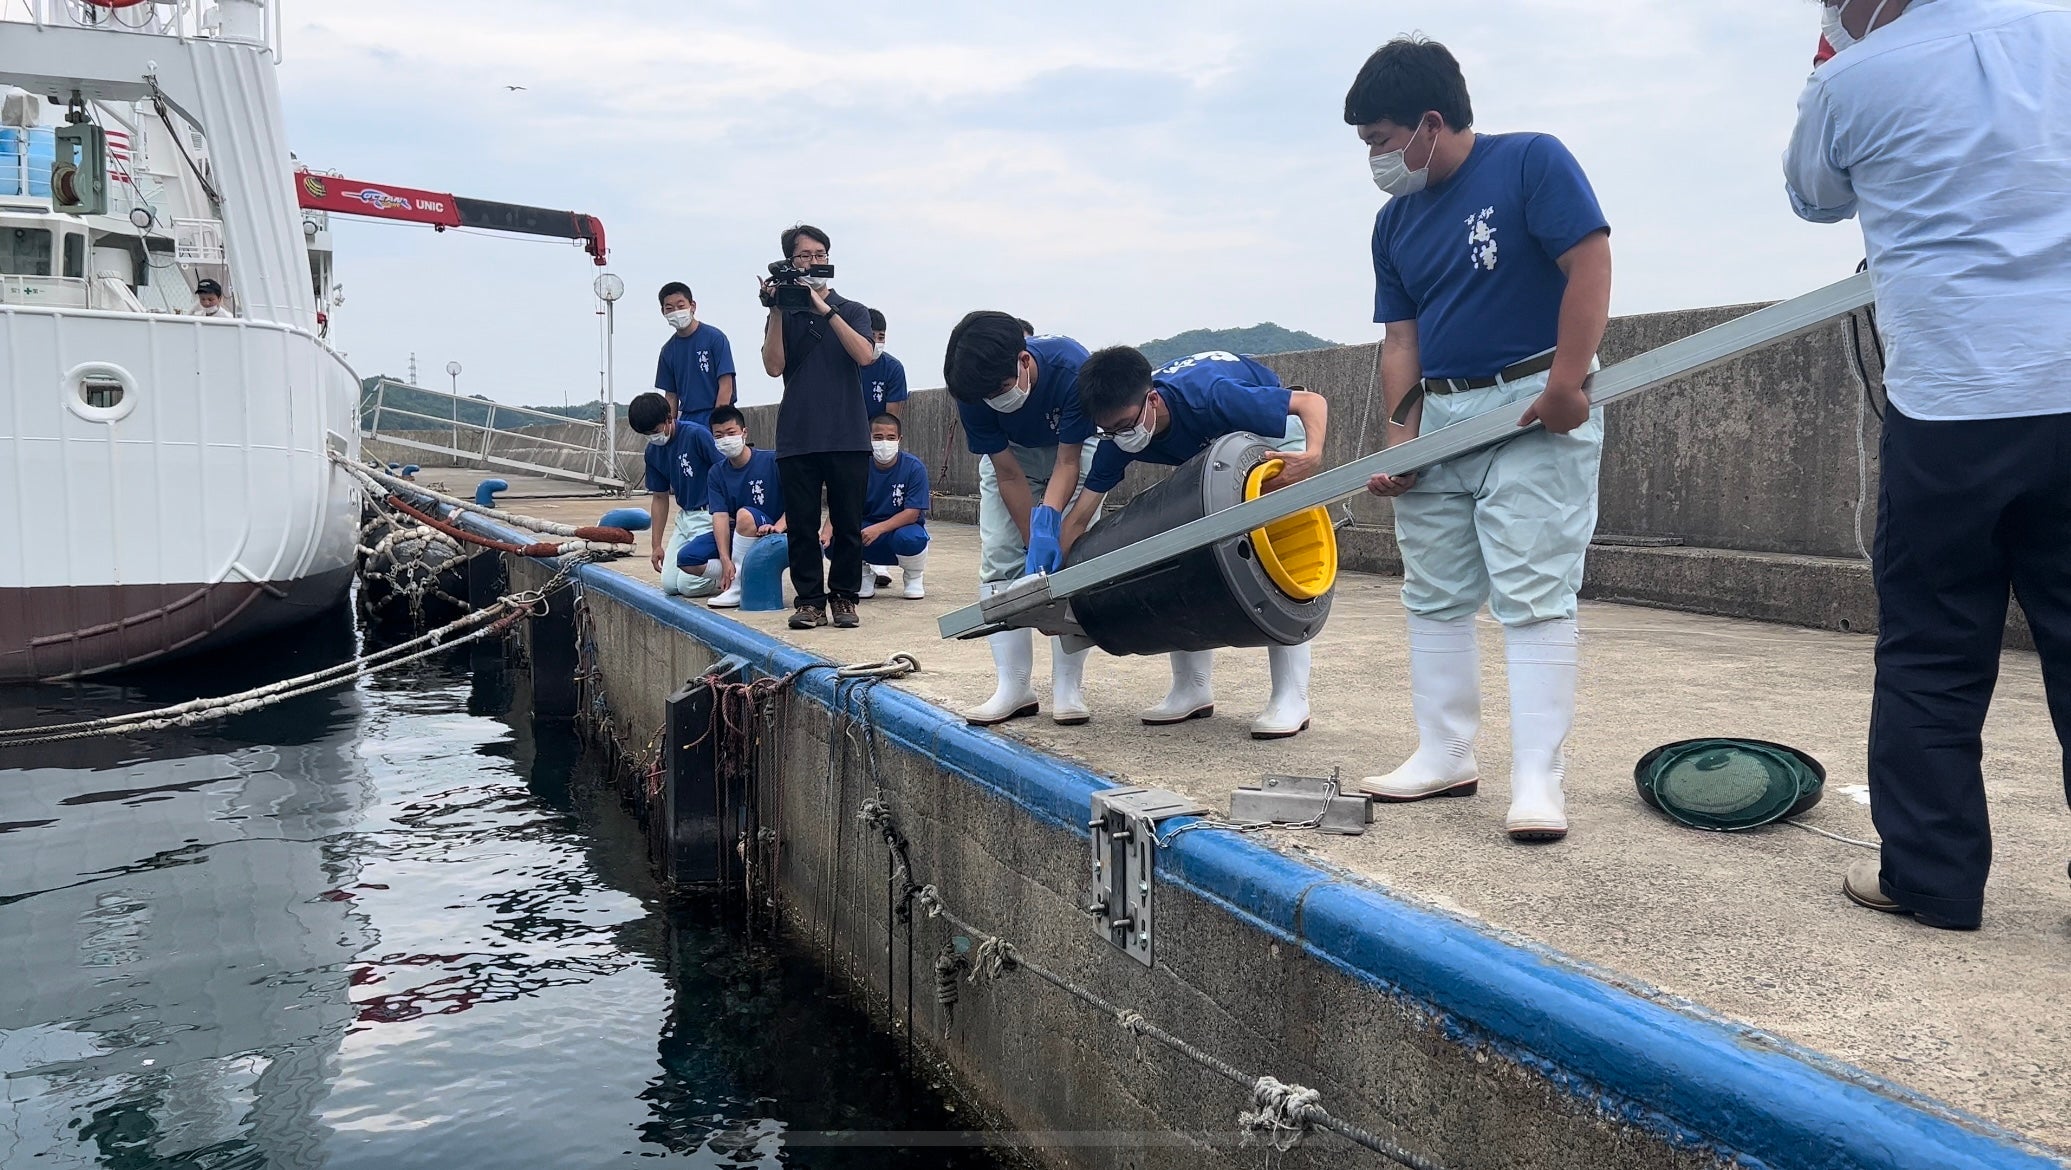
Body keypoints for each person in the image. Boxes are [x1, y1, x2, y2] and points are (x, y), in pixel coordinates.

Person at [1785, 0, 2071, 929]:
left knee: (1932, 649)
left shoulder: (1852, 76)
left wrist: (1832, 63)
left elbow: (1813, 196)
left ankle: (1933, 880)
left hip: (1952, 399)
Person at [1345, 35, 1612, 843]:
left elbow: (1589, 261)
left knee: (1532, 589)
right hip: (1442, 416)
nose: (1376, 159)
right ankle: (1445, 751)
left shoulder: (1531, 161)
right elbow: (1401, 340)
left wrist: (1567, 380)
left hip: (1531, 402)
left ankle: (1537, 776)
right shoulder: (1393, 222)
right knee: (1432, 590)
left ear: (1430, 123)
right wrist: (1400, 436)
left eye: (1381, 142)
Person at [1061, 348, 1329, 739]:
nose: (1121, 437)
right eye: (1109, 431)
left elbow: (1309, 402)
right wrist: (1059, 581)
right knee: (1181, 553)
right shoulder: (1121, 438)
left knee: (1275, 564)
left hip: (1270, 435)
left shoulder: (1210, 395)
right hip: (1209, 454)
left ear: (1152, 400)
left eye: (1124, 425)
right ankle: (1192, 688)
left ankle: (1292, 698)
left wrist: (1312, 456)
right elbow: (1080, 517)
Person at [942, 311, 1098, 726]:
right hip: (1013, 454)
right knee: (999, 558)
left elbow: (1067, 463)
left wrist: (1051, 529)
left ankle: (1068, 688)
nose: (996, 400)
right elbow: (1008, 473)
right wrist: (1032, 540)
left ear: (1024, 360)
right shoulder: (971, 389)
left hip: (1074, 449)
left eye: (1002, 389)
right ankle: (1014, 686)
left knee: (1073, 556)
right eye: (986, 396)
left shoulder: (1071, 368)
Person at [760, 224, 876, 630]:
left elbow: (865, 355)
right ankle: (809, 600)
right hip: (798, 434)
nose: (813, 262)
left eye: (820, 254)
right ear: (790, 262)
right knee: (802, 526)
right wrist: (776, 307)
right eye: (804, 256)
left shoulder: (854, 309)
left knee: (847, 523)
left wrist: (823, 307)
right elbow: (774, 366)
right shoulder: (785, 314)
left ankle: (844, 598)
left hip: (847, 434)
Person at [680, 405, 787, 609]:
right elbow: (719, 517)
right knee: (687, 558)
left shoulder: (773, 460)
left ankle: (738, 587)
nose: (725, 440)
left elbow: (798, 502)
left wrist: (779, 527)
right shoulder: (716, 473)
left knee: (744, 515)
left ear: (744, 432)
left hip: (773, 528)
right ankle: (738, 572)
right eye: (719, 436)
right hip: (741, 531)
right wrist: (724, 558)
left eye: (731, 433)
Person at [629, 391, 726, 598]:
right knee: (670, 584)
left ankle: (729, 573)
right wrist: (656, 545)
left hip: (710, 514)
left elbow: (725, 471)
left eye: (655, 431)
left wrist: (728, 512)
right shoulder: (652, 452)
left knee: (689, 586)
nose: (653, 437)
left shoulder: (696, 435)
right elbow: (659, 497)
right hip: (686, 517)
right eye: (646, 434)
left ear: (669, 419)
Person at [824, 413, 930, 600]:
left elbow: (912, 513)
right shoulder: (857, 467)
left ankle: (914, 576)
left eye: (890, 438)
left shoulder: (914, 468)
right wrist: (826, 532)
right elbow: (842, 503)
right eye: (878, 437)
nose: (884, 443)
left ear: (899, 439)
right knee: (834, 540)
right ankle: (862, 573)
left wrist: (879, 529)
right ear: (868, 437)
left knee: (912, 538)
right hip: (865, 529)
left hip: (900, 530)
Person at [654, 282, 735, 426]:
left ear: (692, 306)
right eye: (670, 308)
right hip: (687, 419)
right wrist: (670, 428)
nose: (676, 312)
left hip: (717, 414)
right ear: (663, 312)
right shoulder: (667, 351)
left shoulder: (715, 338)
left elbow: (726, 385)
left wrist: (717, 423)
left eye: (680, 306)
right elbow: (671, 396)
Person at [860, 309, 909, 420]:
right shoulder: (844, 364)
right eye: (872, 336)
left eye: (881, 338)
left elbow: (891, 421)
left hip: (877, 433)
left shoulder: (893, 369)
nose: (876, 342)